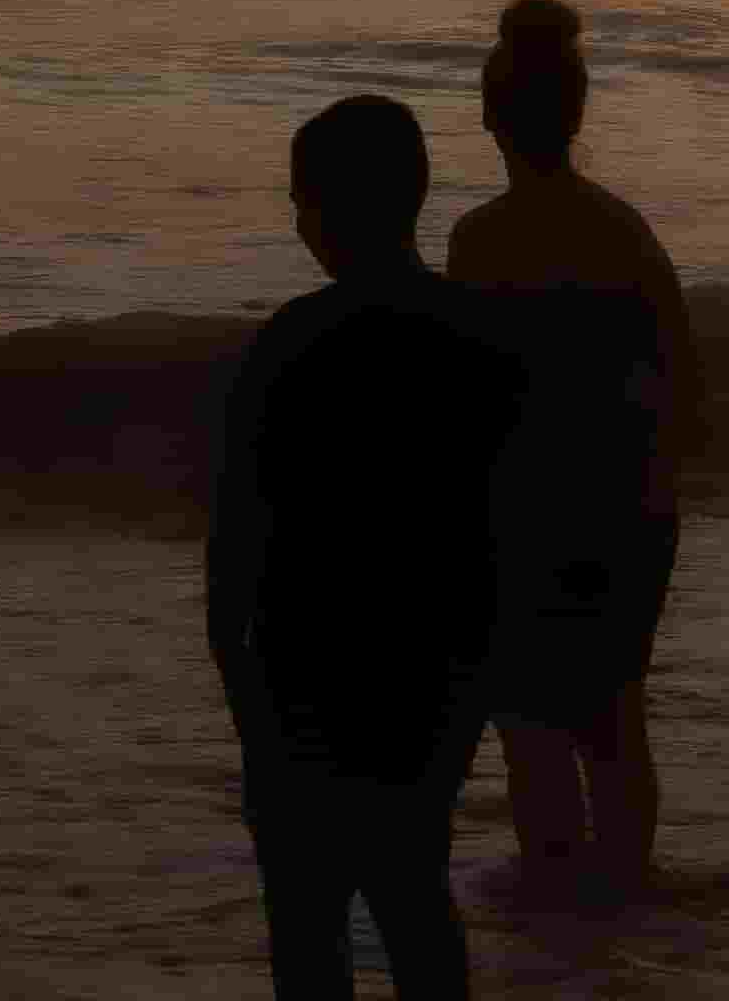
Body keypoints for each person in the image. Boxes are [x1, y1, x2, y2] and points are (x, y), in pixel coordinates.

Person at [213, 95, 525, 1001]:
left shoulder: (288, 344)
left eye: (299, 200)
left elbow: (236, 547)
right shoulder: (483, 347)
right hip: (430, 688)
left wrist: (244, 696)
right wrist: (477, 685)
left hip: (299, 687)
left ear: (322, 210)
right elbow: (502, 537)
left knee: (307, 932)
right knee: (416, 900)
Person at [447, 0, 701, 913]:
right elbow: (682, 376)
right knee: (614, 722)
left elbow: (466, 406)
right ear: (579, 113)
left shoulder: (477, 241)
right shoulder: (625, 232)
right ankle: (624, 904)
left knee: (529, 728)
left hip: (523, 518)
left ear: (487, 116)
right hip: (630, 511)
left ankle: (557, 916)